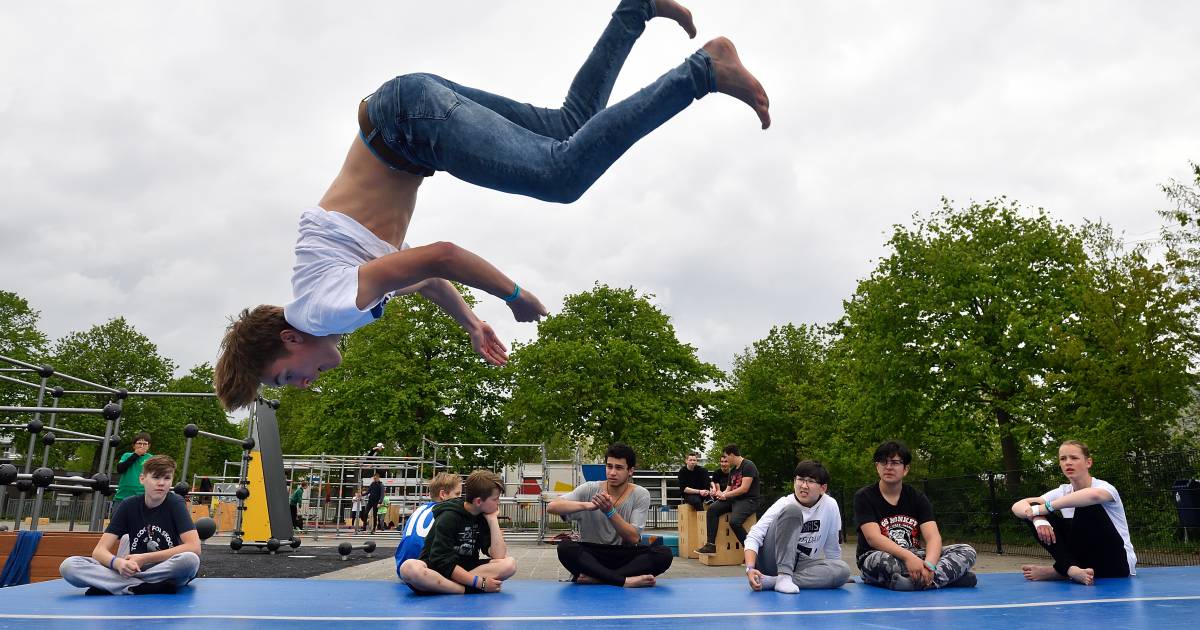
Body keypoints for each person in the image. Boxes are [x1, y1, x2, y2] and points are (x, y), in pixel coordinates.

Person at [212, 0, 772, 412]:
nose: (301, 385)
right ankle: (635, 10)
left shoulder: (322, 310)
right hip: (402, 112)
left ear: (288, 341)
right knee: (567, 129)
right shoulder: (326, 293)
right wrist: (473, 323)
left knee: (562, 175)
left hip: (409, 126)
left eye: (284, 378)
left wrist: (512, 295)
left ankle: (703, 70)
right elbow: (425, 281)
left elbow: (442, 256)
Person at [59, 455, 201, 595]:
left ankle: (114, 585)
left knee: (190, 560)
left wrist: (143, 558)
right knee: (69, 566)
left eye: (167, 478)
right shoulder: (129, 504)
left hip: (162, 570)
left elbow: (194, 547)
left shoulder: (175, 503)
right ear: (142, 479)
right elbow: (99, 551)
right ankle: (142, 586)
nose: (161, 483)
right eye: (156, 477)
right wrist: (117, 563)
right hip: (131, 570)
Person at [853, 441, 977, 591]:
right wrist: (908, 558)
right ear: (877, 467)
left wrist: (930, 565)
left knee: (966, 550)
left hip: (916, 557)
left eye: (895, 462)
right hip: (879, 556)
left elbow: (933, 537)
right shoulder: (864, 496)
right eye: (883, 462)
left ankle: (922, 580)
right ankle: (949, 578)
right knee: (882, 562)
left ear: (905, 469)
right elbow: (873, 538)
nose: (889, 467)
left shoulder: (917, 497)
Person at [1011, 440, 1136, 585]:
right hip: (1082, 564)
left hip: (1116, 564)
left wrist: (1046, 507)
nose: (1068, 463)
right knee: (1033, 510)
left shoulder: (1104, 487)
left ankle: (1059, 571)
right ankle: (1070, 569)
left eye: (1074, 458)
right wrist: (1038, 518)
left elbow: (1093, 496)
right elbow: (1018, 506)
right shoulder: (1063, 491)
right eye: (1063, 459)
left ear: (1088, 462)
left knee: (1086, 504)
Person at [548, 443, 672, 588]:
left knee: (664, 553)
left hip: (624, 555)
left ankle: (600, 578)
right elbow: (553, 506)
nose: (612, 472)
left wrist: (610, 511)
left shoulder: (640, 494)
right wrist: (587, 505)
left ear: (630, 471)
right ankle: (624, 580)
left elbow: (633, 537)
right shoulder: (589, 488)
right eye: (609, 466)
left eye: (619, 468)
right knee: (565, 548)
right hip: (592, 553)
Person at [398, 470, 518, 594]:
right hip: (438, 569)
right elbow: (441, 560)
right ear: (478, 501)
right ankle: (461, 589)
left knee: (510, 564)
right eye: (495, 499)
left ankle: (444, 587)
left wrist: (493, 520)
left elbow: (498, 556)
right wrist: (480, 583)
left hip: (464, 569)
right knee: (408, 568)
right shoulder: (448, 516)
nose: (498, 503)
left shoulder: (483, 515)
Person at [744, 461, 849, 592]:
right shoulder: (784, 503)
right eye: (800, 480)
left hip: (801, 563)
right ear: (794, 482)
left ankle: (773, 581)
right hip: (772, 560)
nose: (804, 486)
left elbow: (832, 545)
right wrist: (750, 568)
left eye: (810, 481)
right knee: (792, 511)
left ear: (823, 488)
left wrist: (833, 574)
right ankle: (783, 576)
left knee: (843, 570)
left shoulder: (830, 505)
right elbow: (754, 535)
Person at [694, 444, 760, 555]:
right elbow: (728, 489)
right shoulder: (733, 470)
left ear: (732, 455)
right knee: (712, 509)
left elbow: (744, 489)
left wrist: (726, 495)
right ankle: (711, 545)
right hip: (734, 499)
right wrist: (720, 494)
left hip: (748, 500)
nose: (725, 459)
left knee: (734, 522)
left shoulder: (748, 465)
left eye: (726, 456)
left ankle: (751, 550)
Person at [395, 472, 463, 580]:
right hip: (427, 570)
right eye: (457, 494)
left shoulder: (420, 509)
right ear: (443, 494)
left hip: (402, 568)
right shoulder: (447, 513)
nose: (460, 499)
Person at [113, 432, 153, 504]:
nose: (142, 446)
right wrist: (136, 455)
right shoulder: (127, 455)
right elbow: (120, 469)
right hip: (122, 497)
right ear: (134, 446)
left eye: (145, 444)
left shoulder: (151, 458)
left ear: (148, 446)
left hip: (142, 497)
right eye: (139, 443)